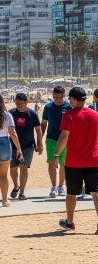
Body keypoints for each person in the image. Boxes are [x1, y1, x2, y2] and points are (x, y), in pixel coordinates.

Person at [53, 87, 98, 231]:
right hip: (94, 159)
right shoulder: (95, 115)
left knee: (71, 193)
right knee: (95, 192)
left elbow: (64, 136)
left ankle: (70, 222)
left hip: (74, 161)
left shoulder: (69, 115)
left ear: (72, 99)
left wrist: (56, 155)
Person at [8, 93, 43, 201]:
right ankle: (16, 186)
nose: (18, 105)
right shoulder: (11, 113)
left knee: (23, 167)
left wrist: (39, 144)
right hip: (13, 145)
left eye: (21, 103)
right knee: (13, 169)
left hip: (28, 146)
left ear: (26, 102)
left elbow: (38, 129)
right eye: (17, 103)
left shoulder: (32, 114)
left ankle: (22, 192)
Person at [41, 86, 71, 197]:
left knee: (63, 163)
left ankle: (60, 186)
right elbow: (43, 123)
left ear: (64, 95)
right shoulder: (48, 107)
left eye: (58, 97)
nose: (56, 99)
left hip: (65, 139)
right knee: (51, 161)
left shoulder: (68, 107)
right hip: (51, 138)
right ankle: (53, 187)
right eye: (54, 96)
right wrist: (40, 139)